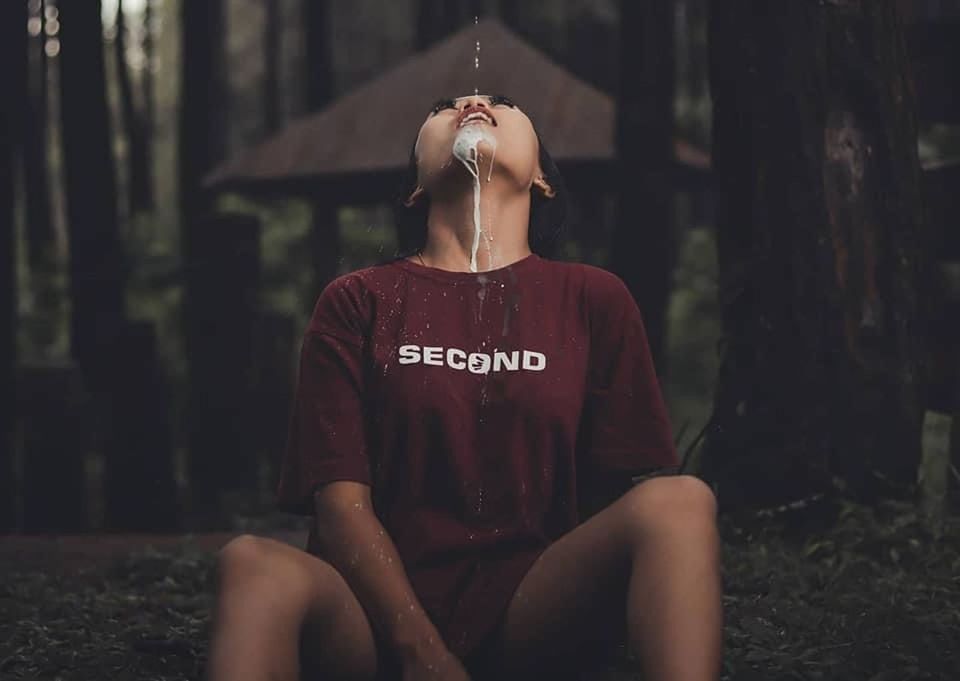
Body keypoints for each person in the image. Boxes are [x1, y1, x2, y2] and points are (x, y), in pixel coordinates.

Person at [206, 94, 722, 681]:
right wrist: (424, 655)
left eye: (502, 103)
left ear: (542, 180)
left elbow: (611, 500)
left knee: (681, 502)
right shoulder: (357, 301)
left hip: (530, 612)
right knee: (251, 563)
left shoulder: (594, 299)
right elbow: (340, 506)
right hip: (371, 623)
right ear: (414, 189)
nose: (473, 101)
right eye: (442, 107)